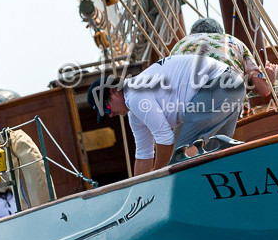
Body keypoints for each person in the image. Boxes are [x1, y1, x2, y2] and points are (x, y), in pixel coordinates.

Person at [90, 51, 242, 174]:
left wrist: (157, 177)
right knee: (216, 155)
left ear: (114, 91)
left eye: (107, 109)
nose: (110, 115)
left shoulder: (134, 94)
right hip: (233, 84)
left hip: (219, 84)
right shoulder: (134, 114)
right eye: (106, 115)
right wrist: (139, 189)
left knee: (180, 158)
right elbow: (144, 154)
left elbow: (165, 140)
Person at [171, 16, 278, 100]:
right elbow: (263, 90)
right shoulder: (233, 41)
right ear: (220, 34)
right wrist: (270, 79)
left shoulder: (180, 45)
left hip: (186, 105)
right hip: (224, 102)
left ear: (192, 34)